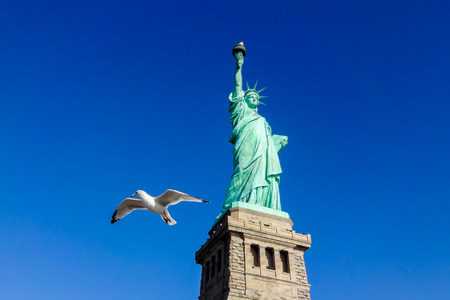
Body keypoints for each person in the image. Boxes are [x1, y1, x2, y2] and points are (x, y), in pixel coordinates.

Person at [222, 49, 288, 212]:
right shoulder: (241, 110)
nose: (255, 99)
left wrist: (276, 143)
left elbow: (268, 143)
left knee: (262, 173)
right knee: (241, 174)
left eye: (257, 98)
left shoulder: (262, 120)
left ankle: (258, 203)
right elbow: (238, 85)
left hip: (262, 154)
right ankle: (237, 202)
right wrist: (239, 66)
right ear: (244, 99)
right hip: (246, 150)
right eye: (252, 97)